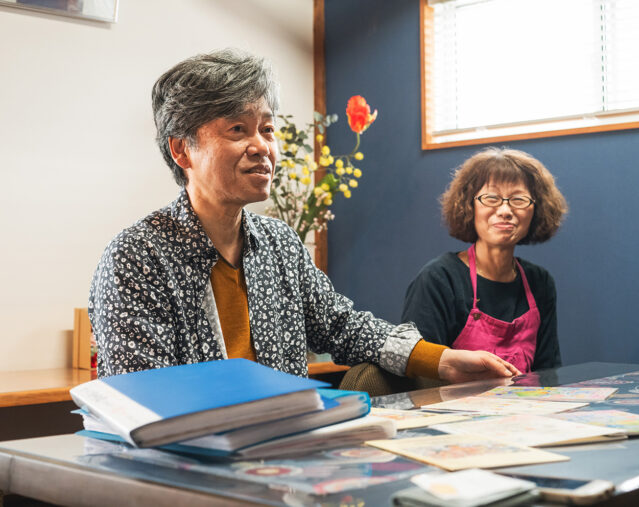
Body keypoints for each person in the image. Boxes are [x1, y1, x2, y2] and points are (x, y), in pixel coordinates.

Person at [88, 49, 518, 385]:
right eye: (237, 129)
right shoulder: (137, 257)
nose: (262, 146)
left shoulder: (278, 243)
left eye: (267, 128)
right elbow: (142, 397)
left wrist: (441, 360)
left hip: (283, 459)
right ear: (182, 149)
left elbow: (342, 326)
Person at [402, 148, 568, 374]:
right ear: (469, 206)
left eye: (518, 200)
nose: (505, 210)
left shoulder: (540, 282)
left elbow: (547, 375)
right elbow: (418, 374)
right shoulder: (439, 279)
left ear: (536, 210)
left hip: (524, 407)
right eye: (491, 198)